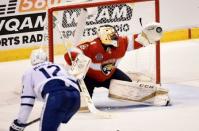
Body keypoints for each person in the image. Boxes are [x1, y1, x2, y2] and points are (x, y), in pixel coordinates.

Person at [64, 23, 164, 99]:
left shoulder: (121, 43)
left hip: (110, 75)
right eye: (112, 37)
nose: (116, 39)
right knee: (81, 100)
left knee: (128, 87)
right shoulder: (92, 47)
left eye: (115, 36)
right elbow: (69, 54)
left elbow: (136, 40)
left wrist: (146, 36)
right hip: (89, 78)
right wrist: (77, 57)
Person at [9, 49, 80, 131]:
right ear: (46, 58)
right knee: (56, 121)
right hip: (75, 97)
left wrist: (20, 122)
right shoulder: (59, 66)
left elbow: (27, 101)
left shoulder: (29, 72)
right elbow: (74, 80)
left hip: (56, 96)